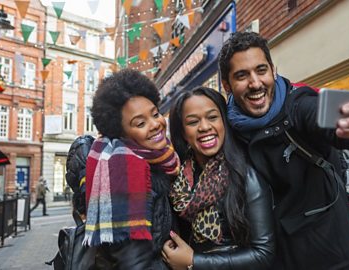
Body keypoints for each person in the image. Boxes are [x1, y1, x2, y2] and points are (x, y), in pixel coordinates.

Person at [218, 32, 349, 269]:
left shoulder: (299, 105)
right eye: (242, 75)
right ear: (226, 85)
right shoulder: (228, 129)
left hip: (329, 256)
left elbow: (333, 121)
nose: (255, 83)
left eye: (261, 70)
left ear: (273, 70)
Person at [161, 86, 275, 270]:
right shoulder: (177, 180)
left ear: (224, 122)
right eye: (192, 122)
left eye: (212, 117)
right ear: (182, 132)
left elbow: (264, 254)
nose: (205, 127)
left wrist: (194, 262)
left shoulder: (246, 176)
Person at [84, 69, 180, 269]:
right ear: (121, 132)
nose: (155, 124)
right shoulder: (126, 174)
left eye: (155, 114)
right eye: (140, 123)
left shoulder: (159, 161)